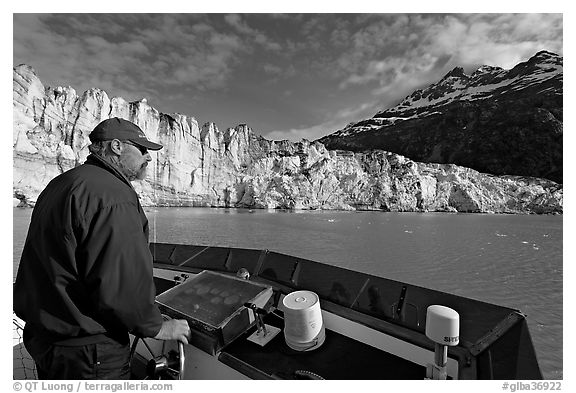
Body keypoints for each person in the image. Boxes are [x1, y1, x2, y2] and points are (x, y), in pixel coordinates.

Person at [13, 117, 190, 380]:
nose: (148, 158)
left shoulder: (61, 184)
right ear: (116, 146)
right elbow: (120, 279)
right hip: (89, 350)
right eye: (142, 150)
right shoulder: (112, 196)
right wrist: (156, 327)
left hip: (45, 339)